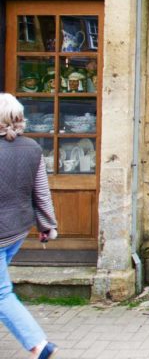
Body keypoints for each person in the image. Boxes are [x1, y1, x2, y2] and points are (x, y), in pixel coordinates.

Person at [0, 93, 59, 358]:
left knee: (1, 294)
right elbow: (42, 192)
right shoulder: (33, 148)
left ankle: (38, 345)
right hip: (17, 231)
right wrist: (47, 225)